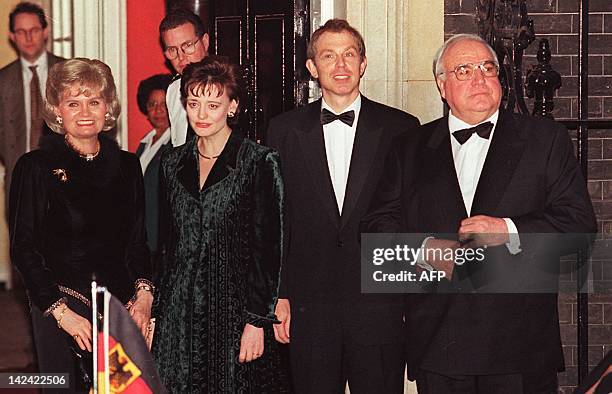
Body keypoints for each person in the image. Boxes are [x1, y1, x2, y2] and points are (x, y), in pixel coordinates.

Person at [362, 34, 597, 393]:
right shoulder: (408, 148)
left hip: (519, 346)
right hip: (439, 343)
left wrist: (509, 229)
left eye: (488, 68)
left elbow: (579, 225)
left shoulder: (545, 139)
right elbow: (377, 228)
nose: (479, 78)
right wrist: (424, 250)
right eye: (464, 70)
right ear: (442, 86)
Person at [267, 19, 420, 394]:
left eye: (349, 55)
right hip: (309, 307)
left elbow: (411, 217)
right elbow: (275, 219)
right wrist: (279, 296)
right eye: (329, 56)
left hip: (379, 308)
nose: (340, 66)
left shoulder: (402, 128)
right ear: (312, 68)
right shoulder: (282, 130)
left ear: (363, 63)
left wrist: (409, 298)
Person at [9, 58, 152, 393]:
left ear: (108, 108)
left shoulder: (128, 167)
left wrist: (144, 298)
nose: (85, 112)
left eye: (94, 101)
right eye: (73, 103)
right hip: (60, 307)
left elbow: (137, 242)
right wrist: (61, 314)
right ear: (58, 111)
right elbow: (23, 248)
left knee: (118, 389)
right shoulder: (35, 167)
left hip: (119, 311)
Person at [152, 56, 289, 392]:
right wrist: (156, 311)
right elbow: (166, 245)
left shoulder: (258, 161)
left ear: (232, 106)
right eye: (194, 103)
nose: (201, 114)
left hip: (233, 312)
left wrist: (257, 321)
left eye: (213, 104)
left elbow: (269, 249)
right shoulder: (171, 162)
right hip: (178, 311)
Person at [0, 2, 65, 204]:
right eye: (21, 31)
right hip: (19, 183)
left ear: (45, 31)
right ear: (12, 36)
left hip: (63, 182)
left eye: (34, 30)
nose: (28, 38)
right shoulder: (3, 80)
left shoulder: (67, 72)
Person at [135, 73, 173, 259]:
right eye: (152, 105)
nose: (158, 111)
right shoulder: (144, 144)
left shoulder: (176, 144)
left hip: (160, 234)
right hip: (141, 232)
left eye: (164, 105)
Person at [159, 9, 209, 147]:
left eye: (187, 46)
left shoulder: (224, 85)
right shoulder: (174, 89)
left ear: (205, 42)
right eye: (172, 50)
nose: (181, 57)